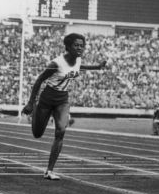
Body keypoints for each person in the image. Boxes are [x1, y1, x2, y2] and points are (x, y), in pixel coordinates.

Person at [22, 33, 106, 180]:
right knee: (37, 134)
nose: (80, 48)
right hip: (47, 98)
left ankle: (49, 170)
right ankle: (35, 110)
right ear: (68, 47)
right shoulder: (56, 64)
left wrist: (97, 67)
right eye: (76, 45)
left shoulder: (78, 60)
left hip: (62, 99)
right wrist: (30, 102)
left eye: (82, 45)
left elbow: (81, 66)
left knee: (61, 131)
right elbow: (39, 81)